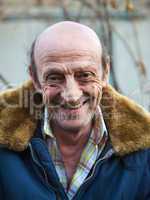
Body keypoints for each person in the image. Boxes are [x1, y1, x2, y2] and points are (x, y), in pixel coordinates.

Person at [0, 21, 150, 200]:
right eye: (54, 77)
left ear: (105, 73)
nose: (71, 96)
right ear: (35, 79)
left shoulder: (144, 152)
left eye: (85, 75)